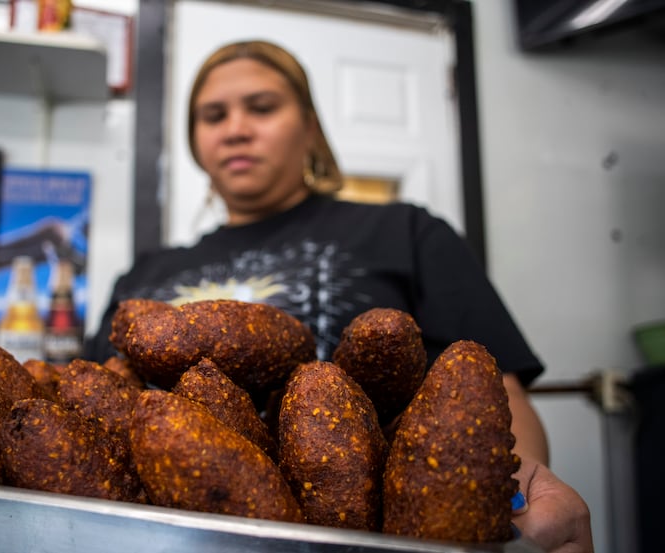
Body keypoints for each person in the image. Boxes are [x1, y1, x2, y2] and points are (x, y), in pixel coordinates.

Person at [84, 40, 593, 553]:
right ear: (196, 142)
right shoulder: (144, 272)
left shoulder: (405, 232)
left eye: (262, 107)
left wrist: (516, 494)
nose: (236, 128)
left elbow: (495, 391)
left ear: (310, 127)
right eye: (213, 115)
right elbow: (94, 397)